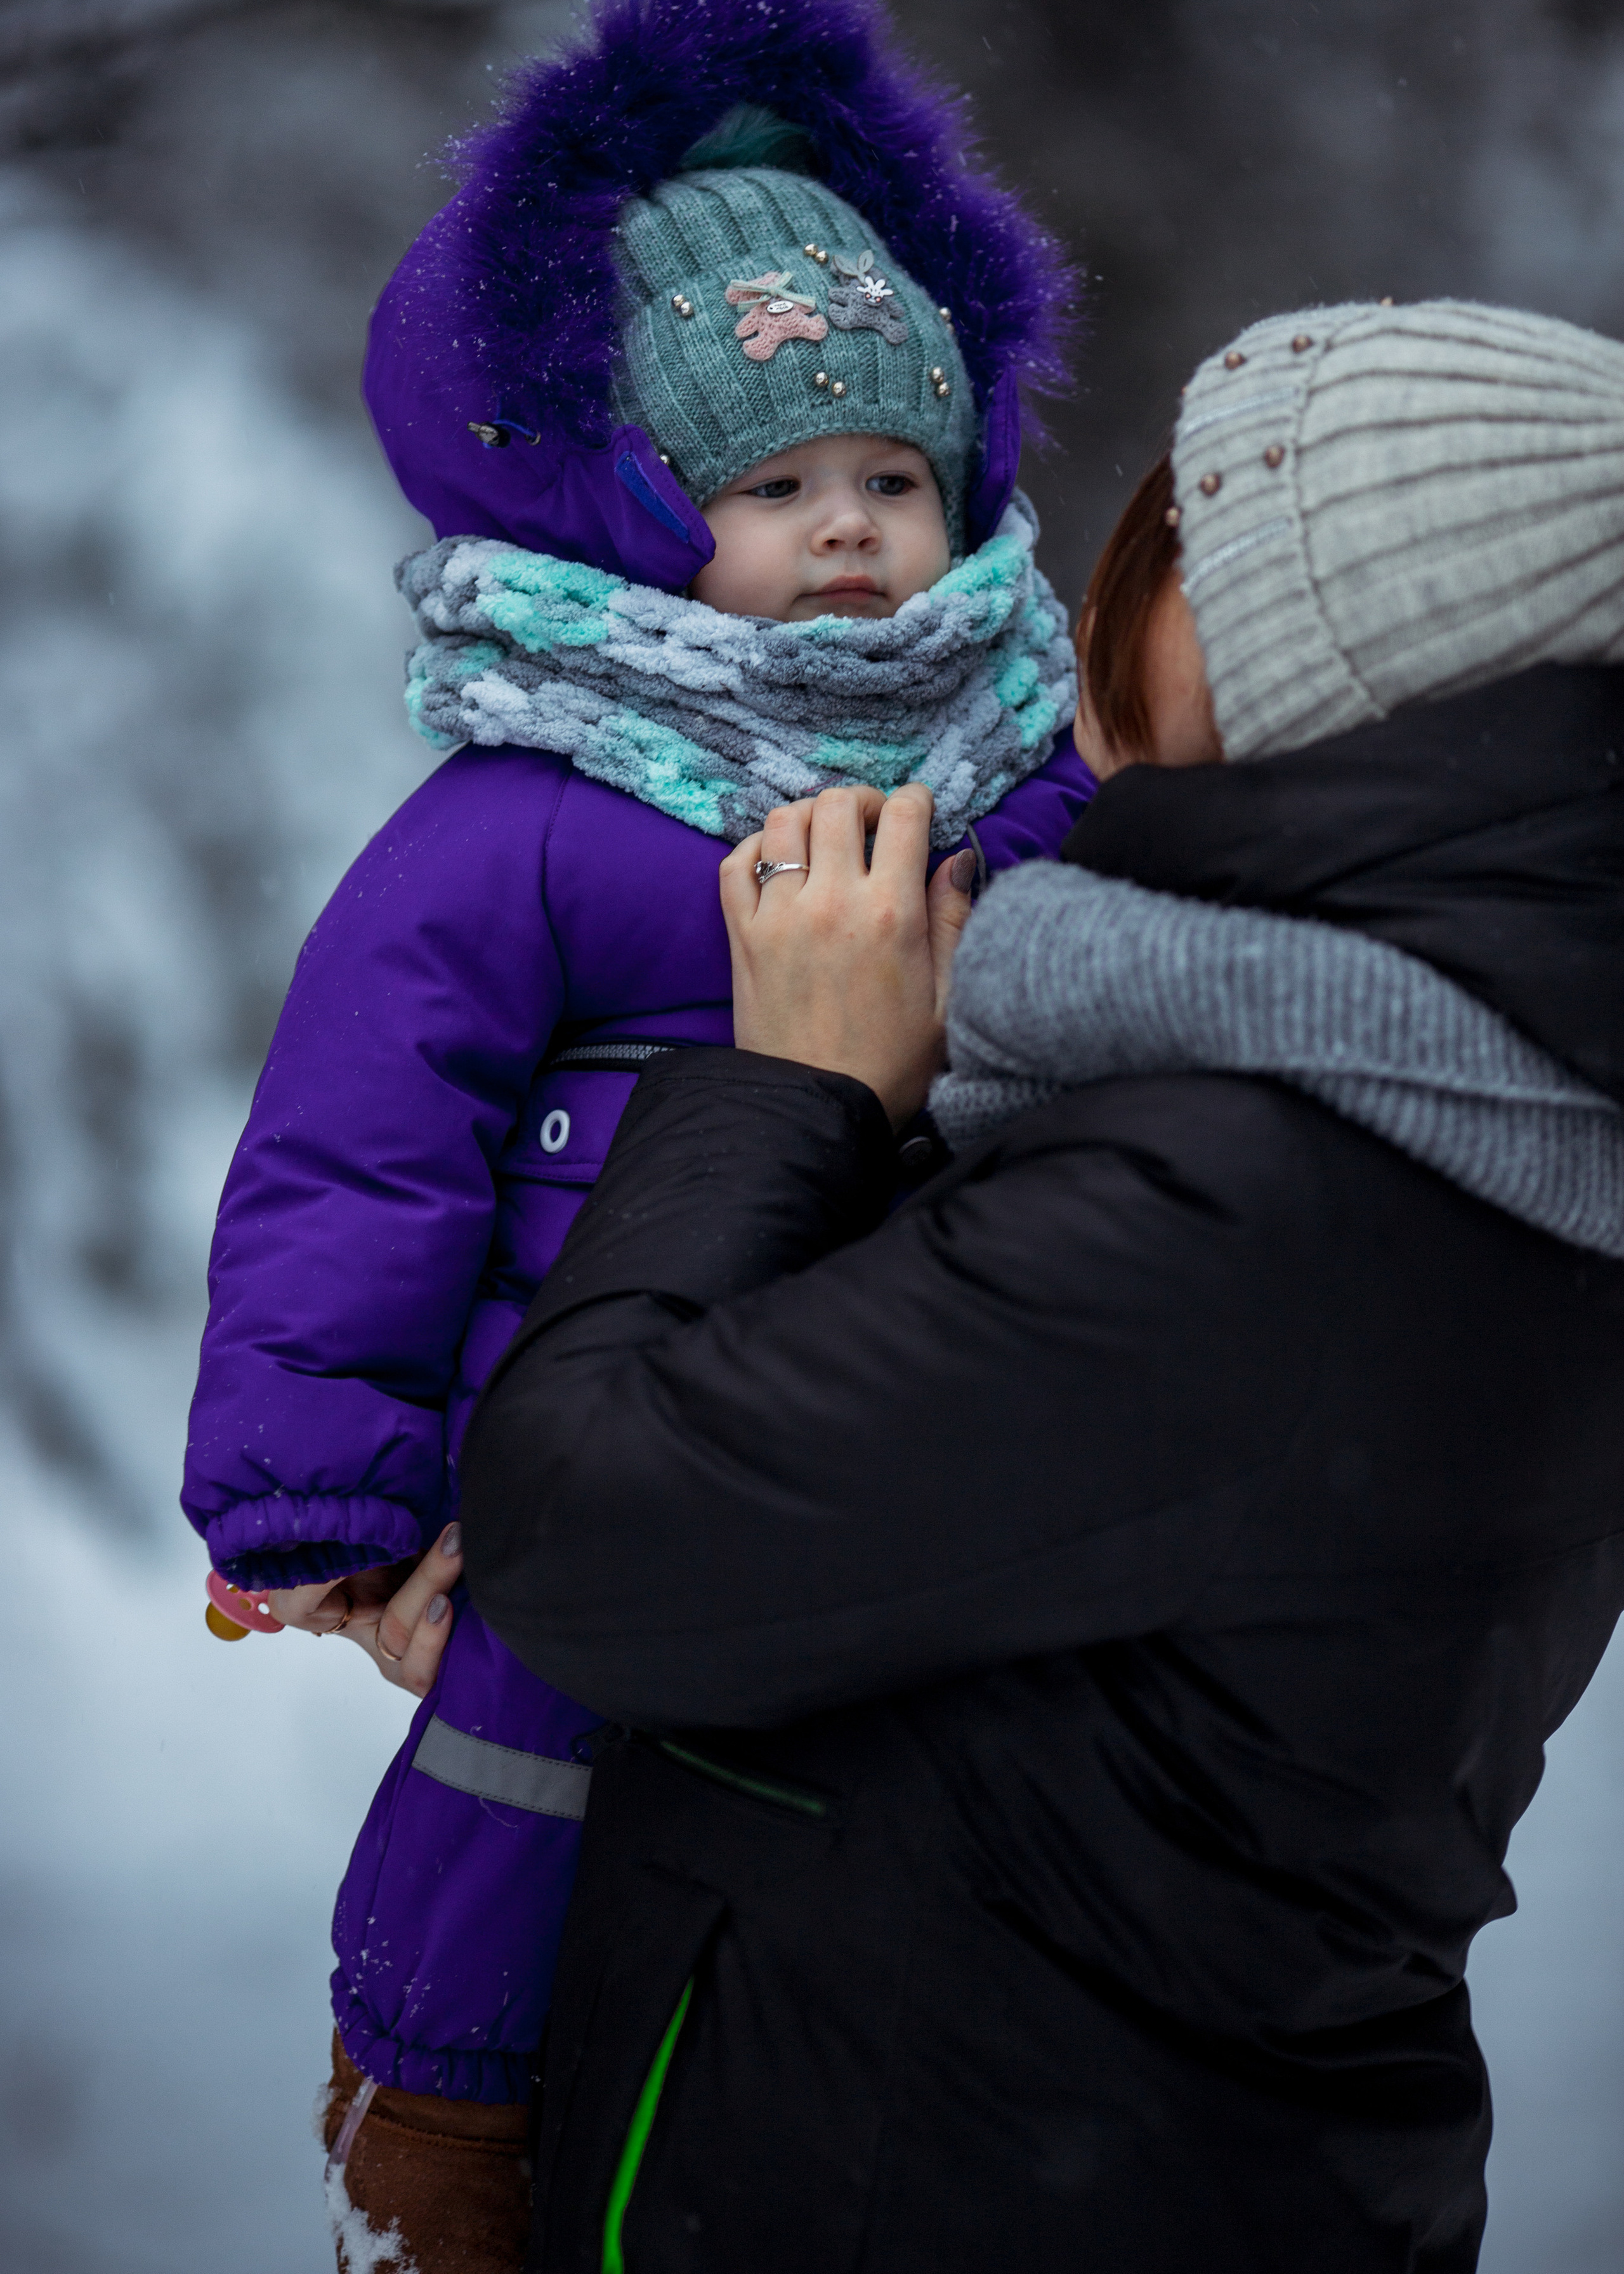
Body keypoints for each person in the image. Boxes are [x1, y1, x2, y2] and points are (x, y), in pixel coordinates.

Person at [460, 298, 1624, 2272]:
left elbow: (598, 1535)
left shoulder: (1263, 1196)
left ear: (1354, 678)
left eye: (1195, 553)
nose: (1111, 583)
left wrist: (792, 1086)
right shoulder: (1439, 1099)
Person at [178, 0, 1089, 2273]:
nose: (858, 527)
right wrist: (326, 1479)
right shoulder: (544, 812)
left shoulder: (1023, 761)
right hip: (593, 1427)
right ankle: (448, 2119)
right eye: (775, 483)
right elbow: (362, 1138)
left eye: (893, 471)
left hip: (928, 1415)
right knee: (529, 1762)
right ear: (637, 510)